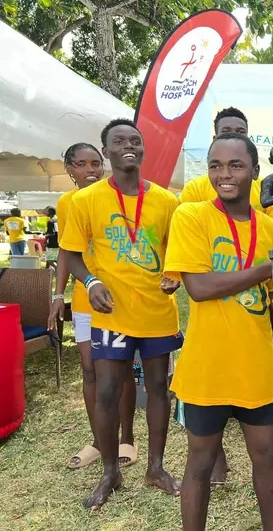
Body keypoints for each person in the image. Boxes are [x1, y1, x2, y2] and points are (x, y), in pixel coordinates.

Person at [167, 133, 273, 531]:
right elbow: (199, 289)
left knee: (267, 459)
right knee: (199, 464)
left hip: (256, 366)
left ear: (255, 171)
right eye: (215, 166)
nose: (224, 174)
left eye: (235, 165)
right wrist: (265, 270)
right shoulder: (192, 216)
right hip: (207, 369)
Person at [60, 119, 183, 509]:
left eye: (135, 140)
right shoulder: (85, 200)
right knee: (108, 391)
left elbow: (175, 253)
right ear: (106, 151)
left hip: (156, 313)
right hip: (112, 314)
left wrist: (173, 276)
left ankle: (157, 467)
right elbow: (72, 254)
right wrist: (91, 282)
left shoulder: (166, 201)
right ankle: (110, 471)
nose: (129, 146)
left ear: (142, 149)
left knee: (160, 389)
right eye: (119, 141)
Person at [49, 143, 138, 470]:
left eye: (95, 164)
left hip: (118, 299)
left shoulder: (114, 196)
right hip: (86, 300)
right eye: (82, 165)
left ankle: (127, 437)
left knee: (121, 367)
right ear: (69, 169)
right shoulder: (67, 203)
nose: (91, 170)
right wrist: (58, 296)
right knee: (90, 370)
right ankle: (101, 441)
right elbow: (65, 251)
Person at [179, 107, 265, 212]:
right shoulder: (194, 190)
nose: (234, 137)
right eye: (226, 132)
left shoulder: (264, 189)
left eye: (240, 132)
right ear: (214, 139)